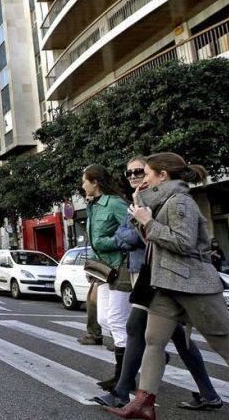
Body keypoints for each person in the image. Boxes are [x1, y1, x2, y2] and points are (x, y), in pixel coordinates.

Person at [107, 153, 229, 418]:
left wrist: (148, 222)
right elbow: (151, 239)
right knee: (153, 340)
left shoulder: (179, 202)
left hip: (193, 284)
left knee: (223, 343)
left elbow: (183, 243)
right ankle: (144, 403)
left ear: (163, 175)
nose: (144, 178)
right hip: (164, 284)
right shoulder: (159, 202)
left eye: (148, 173)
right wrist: (141, 211)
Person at [82, 164, 131, 392]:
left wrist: (108, 244)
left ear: (95, 183)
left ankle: (123, 378)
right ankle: (142, 349)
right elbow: (94, 239)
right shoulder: (93, 206)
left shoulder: (115, 203)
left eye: (85, 181)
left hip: (120, 267)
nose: (82, 185)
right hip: (102, 269)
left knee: (117, 321)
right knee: (103, 319)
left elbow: (135, 231)